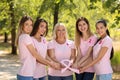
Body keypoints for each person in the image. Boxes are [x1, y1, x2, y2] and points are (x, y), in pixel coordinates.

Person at [15, 15, 53, 80]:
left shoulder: (22, 37)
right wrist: (50, 64)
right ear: (22, 25)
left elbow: (37, 53)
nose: (29, 27)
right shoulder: (26, 37)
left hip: (26, 73)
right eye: (26, 24)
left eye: (31, 25)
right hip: (26, 74)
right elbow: (35, 54)